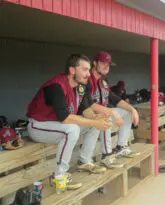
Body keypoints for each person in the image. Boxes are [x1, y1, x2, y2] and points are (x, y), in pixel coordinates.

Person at [27, 54, 112, 190]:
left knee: (93, 124)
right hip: (38, 125)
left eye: (89, 70)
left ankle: (84, 161)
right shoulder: (56, 86)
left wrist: (97, 119)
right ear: (72, 70)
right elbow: (65, 117)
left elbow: (85, 109)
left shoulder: (80, 86)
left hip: (57, 125)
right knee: (72, 129)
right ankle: (59, 176)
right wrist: (94, 122)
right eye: (84, 70)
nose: (88, 74)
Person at [89, 51, 140, 169]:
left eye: (108, 64)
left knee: (127, 112)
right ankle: (106, 155)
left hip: (100, 116)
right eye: (103, 63)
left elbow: (115, 99)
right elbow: (87, 105)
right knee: (106, 115)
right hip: (87, 118)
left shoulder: (103, 82)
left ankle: (121, 147)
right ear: (94, 63)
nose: (106, 66)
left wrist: (133, 110)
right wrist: (111, 112)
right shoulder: (87, 80)